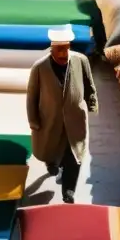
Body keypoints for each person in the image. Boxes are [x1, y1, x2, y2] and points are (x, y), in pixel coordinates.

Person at [26, 25, 98, 204]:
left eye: (66, 48)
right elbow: (32, 96)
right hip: (49, 119)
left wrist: (92, 103)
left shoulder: (81, 61)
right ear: (51, 48)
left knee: (74, 155)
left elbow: (89, 84)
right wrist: (33, 120)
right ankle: (51, 164)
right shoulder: (40, 67)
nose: (63, 53)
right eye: (59, 49)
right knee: (50, 147)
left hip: (75, 119)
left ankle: (69, 190)